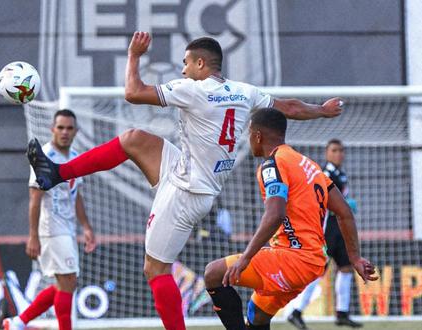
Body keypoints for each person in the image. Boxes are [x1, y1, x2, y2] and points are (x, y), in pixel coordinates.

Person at [27, 31, 343, 330]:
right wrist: (321, 111)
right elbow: (287, 107)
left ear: (201, 64)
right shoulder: (245, 92)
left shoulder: (192, 89)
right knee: (135, 139)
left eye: (186, 62)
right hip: (186, 169)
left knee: (156, 269)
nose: (182, 68)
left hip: (187, 190)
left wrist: (134, 56)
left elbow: (133, 93)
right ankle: (56, 173)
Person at [203, 108, 377, 330]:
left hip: (293, 259)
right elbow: (345, 212)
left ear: (257, 135)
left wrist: (246, 257)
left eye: (249, 134)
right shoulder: (310, 166)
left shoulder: (273, 164)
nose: (249, 139)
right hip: (312, 263)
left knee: (213, 273)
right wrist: (355, 258)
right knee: (257, 316)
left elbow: (275, 213)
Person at [3, 110, 97, 330]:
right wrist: (33, 236)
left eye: (69, 128)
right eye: (60, 127)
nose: (64, 132)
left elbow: (76, 195)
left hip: (68, 227)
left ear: (76, 131)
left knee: (63, 283)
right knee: (68, 281)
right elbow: (34, 199)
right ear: (52, 129)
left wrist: (86, 227)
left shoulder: (74, 156)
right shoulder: (43, 157)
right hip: (51, 228)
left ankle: (18, 322)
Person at [288, 139, 362, 329]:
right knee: (319, 271)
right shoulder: (324, 174)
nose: (339, 154)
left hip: (340, 230)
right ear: (327, 153)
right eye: (334, 150)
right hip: (327, 230)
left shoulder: (341, 174)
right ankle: (296, 311)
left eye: (341, 150)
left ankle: (342, 313)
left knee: (346, 268)